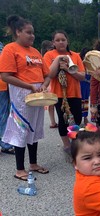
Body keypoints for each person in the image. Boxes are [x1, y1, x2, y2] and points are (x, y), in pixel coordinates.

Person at [0, 15, 50, 180]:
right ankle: (19, 169)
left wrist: (44, 84)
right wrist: (29, 86)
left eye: (33, 33)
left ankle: (33, 164)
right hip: (21, 95)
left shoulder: (35, 52)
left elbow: (47, 74)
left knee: (34, 128)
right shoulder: (10, 49)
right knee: (20, 129)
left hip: (37, 94)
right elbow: (6, 76)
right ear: (18, 32)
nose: (32, 36)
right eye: (28, 32)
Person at [43, 30, 85, 154]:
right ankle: (67, 145)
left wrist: (68, 69)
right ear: (53, 42)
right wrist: (57, 63)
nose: (61, 42)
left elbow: (82, 76)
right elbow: (49, 74)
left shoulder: (75, 56)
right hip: (60, 95)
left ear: (67, 41)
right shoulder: (49, 55)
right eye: (58, 40)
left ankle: (74, 141)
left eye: (63, 40)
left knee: (77, 118)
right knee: (63, 119)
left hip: (75, 93)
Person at [0, 41, 15, 155]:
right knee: (3, 114)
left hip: (4, 85)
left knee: (4, 114)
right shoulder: (3, 47)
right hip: (2, 86)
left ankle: (5, 143)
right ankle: (5, 144)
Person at [40, 40, 58, 128]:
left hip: (48, 80)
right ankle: (53, 121)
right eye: (50, 48)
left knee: (51, 102)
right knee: (52, 101)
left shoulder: (43, 57)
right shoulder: (47, 57)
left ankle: (53, 121)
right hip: (50, 80)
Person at [79, 47, 91, 126]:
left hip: (87, 85)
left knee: (86, 101)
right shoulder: (80, 63)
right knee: (78, 101)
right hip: (80, 84)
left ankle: (85, 117)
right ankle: (78, 117)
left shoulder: (90, 64)